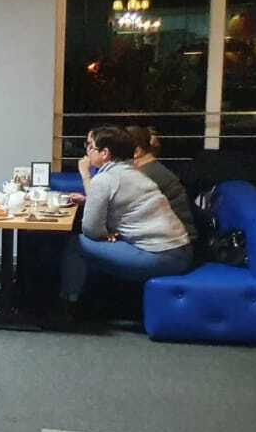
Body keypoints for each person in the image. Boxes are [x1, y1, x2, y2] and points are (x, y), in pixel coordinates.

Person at [57, 127, 193, 321]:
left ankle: (68, 308)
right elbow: (125, 205)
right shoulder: (134, 173)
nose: (87, 150)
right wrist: (90, 204)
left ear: (105, 153)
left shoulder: (105, 179)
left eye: (90, 146)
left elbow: (90, 230)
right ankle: (89, 304)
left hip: (162, 256)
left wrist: (104, 235)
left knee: (76, 244)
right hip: (180, 250)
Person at [125, 126, 197, 241]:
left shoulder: (145, 175)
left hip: (172, 242)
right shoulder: (150, 169)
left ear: (136, 151)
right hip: (174, 238)